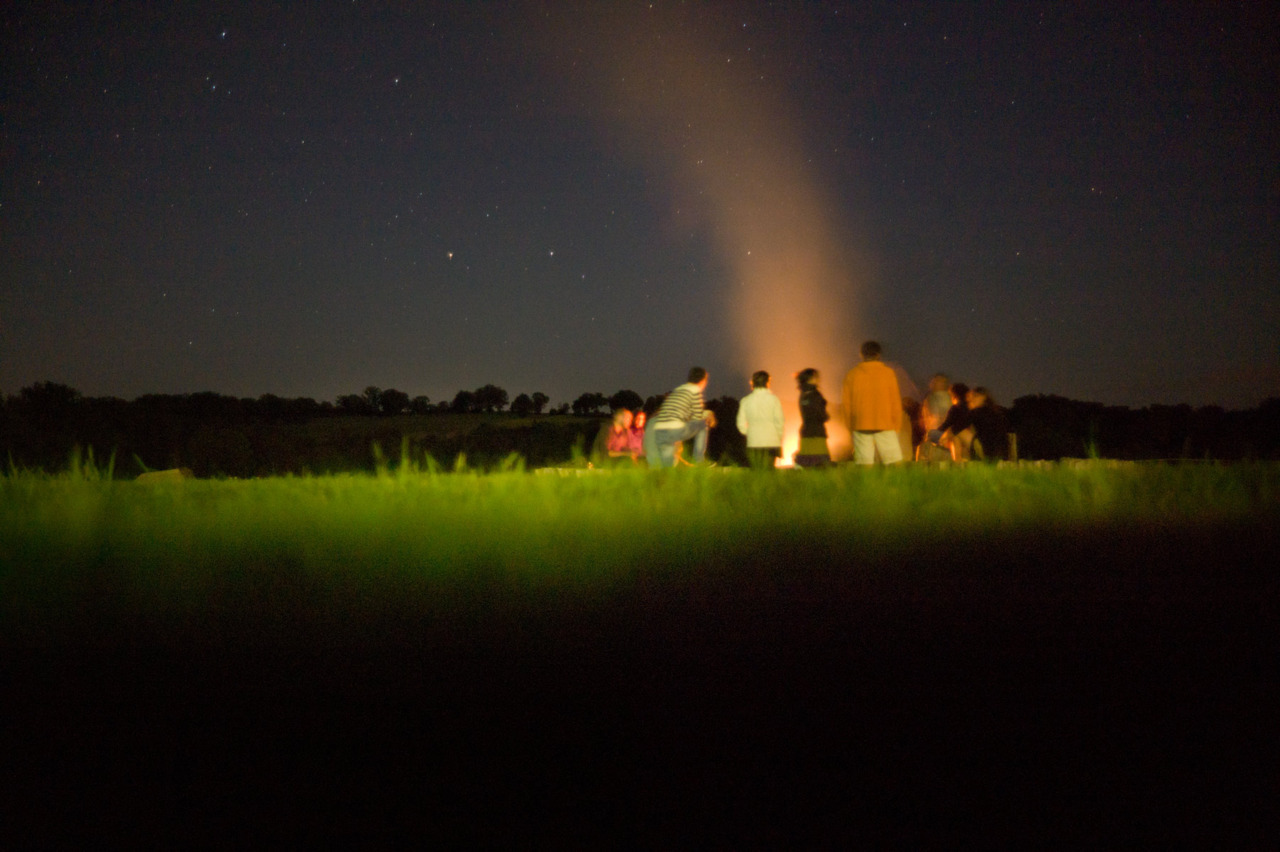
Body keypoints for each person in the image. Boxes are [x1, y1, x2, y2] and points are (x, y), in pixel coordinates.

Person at [841, 340, 904, 465]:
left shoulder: (852, 375)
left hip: (860, 424)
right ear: (878, 354)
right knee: (893, 462)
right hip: (885, 423)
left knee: (865, 464)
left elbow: (846, 405)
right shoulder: (888, 373)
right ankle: (896, 484)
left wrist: (850, 427)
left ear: (861, 354)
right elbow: (895, 401)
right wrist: (896, 425)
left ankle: (867, 484)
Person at [643, 367, 716, 468]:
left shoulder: (678, 391)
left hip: (654, 453)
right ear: (703, 381)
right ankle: (699, 460)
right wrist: (708, 414)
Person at [736, 370, 785, 470]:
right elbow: (779, 422)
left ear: (752, 382)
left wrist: (748, 432)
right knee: (769, 472)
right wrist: (779, 437)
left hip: (753, 441)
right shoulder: (774, 400)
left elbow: (740, 423)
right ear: (768, 382)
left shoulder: (746, 400)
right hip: (772, 440)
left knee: (756, 473)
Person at [793, 368, 831, 468]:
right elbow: (820, 414)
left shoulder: (803, 394)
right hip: (817, 433)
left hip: (806, 432)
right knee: (819, 464)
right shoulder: (815, 394)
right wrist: (826, 416)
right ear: (811, 378)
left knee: (807, 463)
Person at [964, 386, 1010, 461]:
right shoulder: (994, 411)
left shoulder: (978, 411)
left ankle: (958, 460)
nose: (972, 399)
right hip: (1002, 453)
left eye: (975, 396)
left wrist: (945, 436)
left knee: (958, 432)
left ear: (983, 397)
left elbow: (958, 426)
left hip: (988, 452)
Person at [936, 382, 972, 461]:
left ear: (953, 396)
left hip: (971, 442)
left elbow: (946, 424)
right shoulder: (972, 407)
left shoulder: (956, 408)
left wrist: (934, 435)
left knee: (955, 434)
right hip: (975, 440)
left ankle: (957, 461)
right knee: (954, 431)